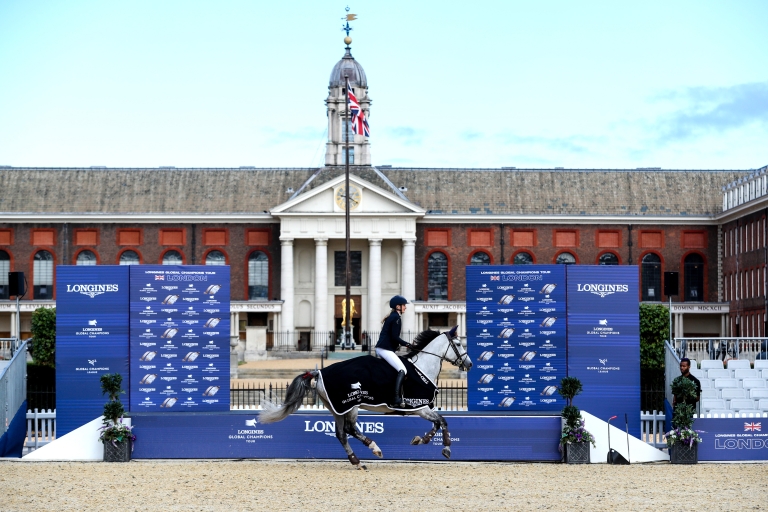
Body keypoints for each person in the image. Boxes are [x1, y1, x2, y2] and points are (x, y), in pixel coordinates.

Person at [376, 295, 411, 407]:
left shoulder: (394, 316)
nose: (405, 307)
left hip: (384, 348)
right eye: (404, 305)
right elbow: (394, 337)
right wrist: (407, 344)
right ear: (398, 306)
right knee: (402, 370)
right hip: (384, 349)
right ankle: (396, 398)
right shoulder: (396, 318)